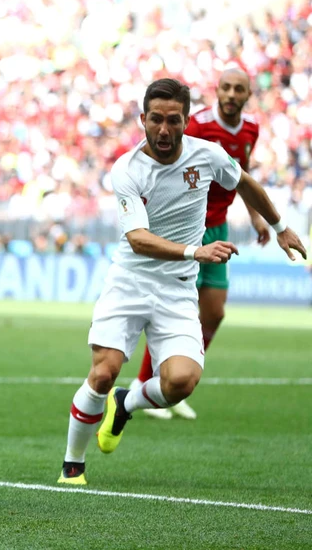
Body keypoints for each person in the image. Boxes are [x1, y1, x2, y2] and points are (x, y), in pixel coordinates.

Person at [58, 78, 306, 485]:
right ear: (142, 119)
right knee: (104, 372)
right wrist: (195, 251)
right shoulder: (127, 169)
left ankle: (127, 403)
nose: (164, 129)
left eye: (173, 120)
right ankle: (73, 465)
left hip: (175, 289)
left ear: (186, 121)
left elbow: (244, 182)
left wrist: (280, 227)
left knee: (181, 382)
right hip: (130, 282)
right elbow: (138, 240)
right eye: (156, 119)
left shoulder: (207, 155)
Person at [130, 68, 267, 420]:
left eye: (239, 89)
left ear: (248, 95)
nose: (231, 94)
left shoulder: (251, 129)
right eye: (226, 87)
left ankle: (173, 380)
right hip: (187, 229)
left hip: (218, 228)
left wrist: (255, 217)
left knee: (214, 312)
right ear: (217, 91)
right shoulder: (199, 125)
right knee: (175, 308)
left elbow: (241, 174)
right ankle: (148, 382)